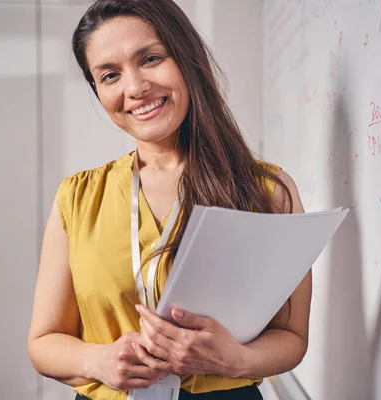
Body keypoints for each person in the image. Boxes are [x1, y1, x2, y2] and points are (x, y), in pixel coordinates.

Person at [26, 0, 312, 399]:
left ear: (187, 57)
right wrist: (99, 360)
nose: (135, 87)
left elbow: (292, 336)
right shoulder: (77, 198)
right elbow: (44, 342)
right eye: (110, 75)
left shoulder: (266, 190)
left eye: (151, 58)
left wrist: (235, 360)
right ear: (98, 91)